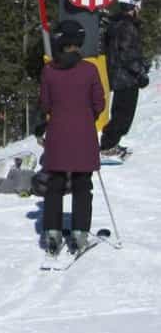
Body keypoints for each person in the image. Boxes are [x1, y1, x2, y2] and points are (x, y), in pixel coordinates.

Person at [39, 18, 105, 256]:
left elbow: (45, 104)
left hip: (57, 134)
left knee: (54, 185)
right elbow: (99, 103)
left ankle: (53, 232)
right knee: (82, 185)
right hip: (84, 135)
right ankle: (79, 232)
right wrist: (87, 116)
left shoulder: (49, 70)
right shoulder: (89, 69)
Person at [100, 0, 150, 158]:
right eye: (139, 5)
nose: (140, 9)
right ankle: (107, 147)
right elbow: (127, 54)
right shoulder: (126, 26)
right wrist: (140, 72)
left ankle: (110, 143)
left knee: (121, 113)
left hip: (120, 76)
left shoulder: (118, 23)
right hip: (126, 78)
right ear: (133, 6)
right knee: (123, 115)